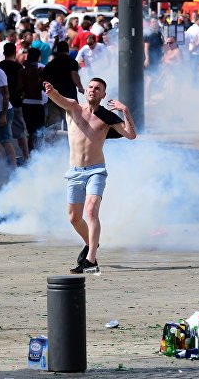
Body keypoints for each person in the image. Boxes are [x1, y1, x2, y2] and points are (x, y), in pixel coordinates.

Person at [44, 77, 137, 274]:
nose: (93, 91)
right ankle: (91, 244)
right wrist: (51, 90)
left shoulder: (107, 117)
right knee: (73, 218)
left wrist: (125, 110)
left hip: (96, 170)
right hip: (75, 171)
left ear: (104, 94)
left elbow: (131, 135)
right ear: (85, 91)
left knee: (91, 210)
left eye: (98, 89)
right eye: (90, 87)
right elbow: (58, 98)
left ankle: (91, 261)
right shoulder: (74, 108)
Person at [40, 41, 83, 130]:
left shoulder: (51, 64)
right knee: (71, 126)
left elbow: (42, 78)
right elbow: (74, 74)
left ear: (57, 50)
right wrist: (80, 87)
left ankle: (54, 144)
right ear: (67, 50)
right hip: (69, 99)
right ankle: (69, 144)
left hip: (54, 99)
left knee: (53, 127)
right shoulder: (72, 62)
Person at [0, 43, 30, 162]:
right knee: (20, 132)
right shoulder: (19, 68)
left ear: (4, 53)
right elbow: (23, 86)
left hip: (0, 104)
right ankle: (26, 157)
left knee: (3, 133)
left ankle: (5, 159)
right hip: (16, 102)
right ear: (15, 53)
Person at [19, 47, 45, 152]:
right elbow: (44, 87)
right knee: (39, 132)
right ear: (38, 58)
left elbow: (19, 88)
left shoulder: (22, 71)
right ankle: (39, 156)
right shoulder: (41, 70)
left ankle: (31, 156)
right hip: (38, 103)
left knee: (31, 133)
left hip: (26, 103)